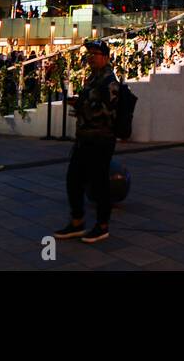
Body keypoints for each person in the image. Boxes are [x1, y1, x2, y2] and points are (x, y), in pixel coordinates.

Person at [53, 39, 121, 244]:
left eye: (95, 54)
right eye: (89, 54)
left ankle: (102, 225)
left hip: (101, 138)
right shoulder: (92, 78)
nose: (90, 57)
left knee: (100, 183)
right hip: (85, 137)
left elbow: (110, 111)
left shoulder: (109, 81)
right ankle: (77, 221)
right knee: (74, 179)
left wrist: (84, 107)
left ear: (106, 57)